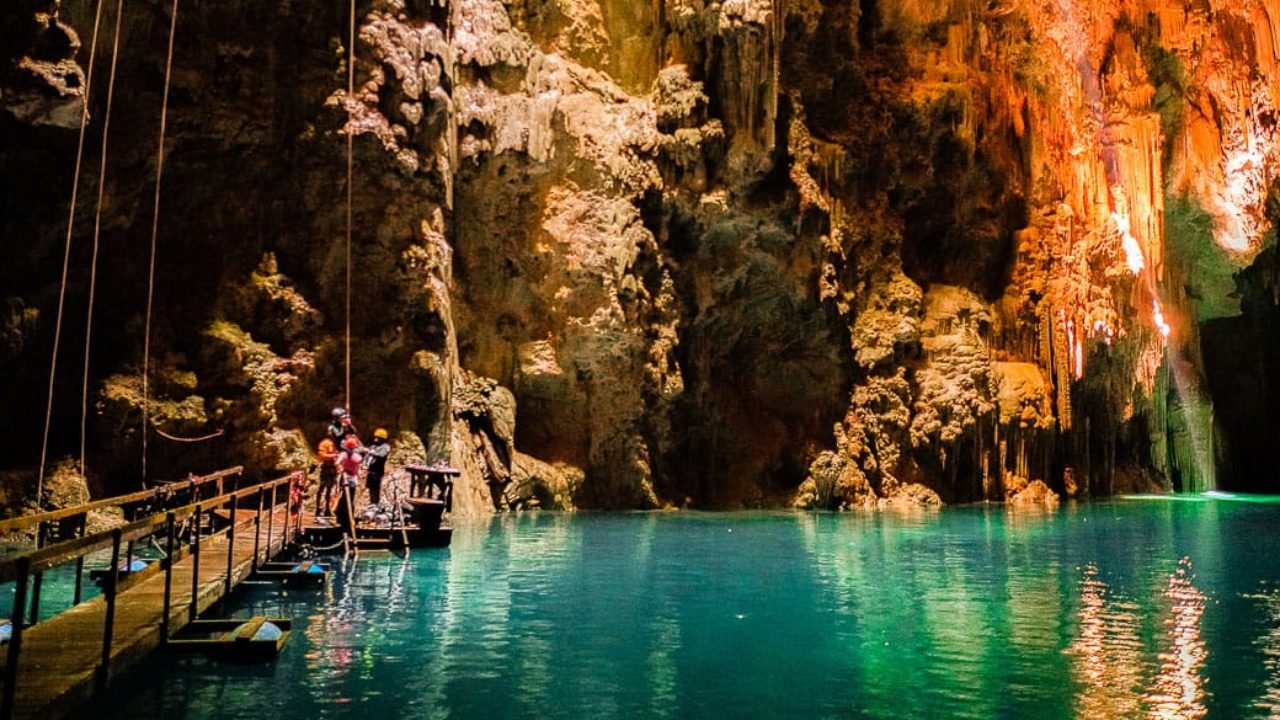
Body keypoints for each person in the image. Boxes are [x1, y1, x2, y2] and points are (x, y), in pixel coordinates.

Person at [363, 428, 391, 506]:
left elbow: (381, 455)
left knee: (375, 489)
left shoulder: (386, 447)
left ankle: (376, 505)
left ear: (382, 439)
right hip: (371, 471)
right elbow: (367, 457)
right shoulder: (373, 446)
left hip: (377, 471)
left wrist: (370, 451)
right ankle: (371, 504)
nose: (375, 439)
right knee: (371, 489)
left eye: (378, 438)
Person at [315, 437, 338, 516]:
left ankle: (327, 509)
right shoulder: (325, 443)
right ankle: (318, 509)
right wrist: (333, 455)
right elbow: (322, 455)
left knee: (330, 490)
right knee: (322, 488)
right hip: (326, 469)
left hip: (333, 469)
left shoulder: (338, 444)